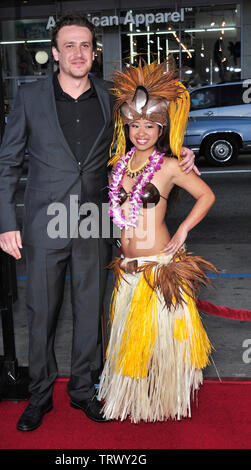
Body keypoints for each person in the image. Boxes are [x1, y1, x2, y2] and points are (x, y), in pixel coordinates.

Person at [0, 14, 197, 431]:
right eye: (69, 45)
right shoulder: (30, 98)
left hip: (94, 220)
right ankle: (40, 395)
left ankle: (84, 390)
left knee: (90, 313)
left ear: (93, 51)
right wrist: (5, 221)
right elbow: (8, 163)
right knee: (42, 312)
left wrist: (183, 153)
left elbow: (148, 132)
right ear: (54, 53)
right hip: (45, 222)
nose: (78, 53)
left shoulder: (111, 95)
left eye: (85, 45)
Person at [97, 59, 217, 423]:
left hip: (158, 269)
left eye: (150, 125)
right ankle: (134, 401)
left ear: (161, 127)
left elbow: (207, 195)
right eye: (135, 125)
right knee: (131, 344)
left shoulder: (169, 166)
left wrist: (182, 232)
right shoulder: (119, 163)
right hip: (128, 269)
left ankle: (164, 401)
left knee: (164, 345)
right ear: (127, 126)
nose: (142, 132)